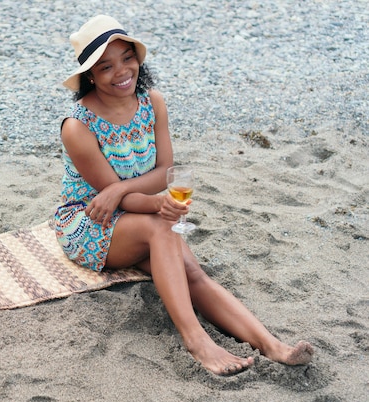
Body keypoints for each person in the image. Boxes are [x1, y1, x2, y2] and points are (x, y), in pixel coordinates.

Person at [54, 15, 314, 376]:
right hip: (89, 221)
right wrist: (150, 201)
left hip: (135, 212)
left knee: (190, 269)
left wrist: (122, 188)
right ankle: (197, 342)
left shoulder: (152, 102)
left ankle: (272, 345)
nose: (121, 72)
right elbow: (118, 202)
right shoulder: (77, 127)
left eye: (127, 58)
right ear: (91, 76)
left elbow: (164, 172)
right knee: (162, 230)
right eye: (106, 66)